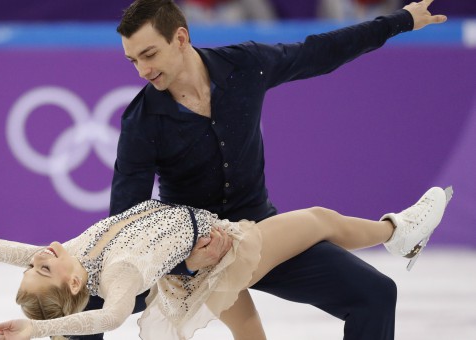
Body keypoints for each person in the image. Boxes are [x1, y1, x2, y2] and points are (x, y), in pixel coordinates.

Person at [98, 0, 448, 339]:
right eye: (133, 61)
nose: (142, 71)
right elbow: (125, 221)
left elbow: (320, 51)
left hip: (263, 232)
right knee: (87, 299)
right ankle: (398, 231)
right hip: (199, 253)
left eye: (149, 55)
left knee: (375, 293)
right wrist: (181, 263)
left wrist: (399, 21)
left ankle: (397, 232)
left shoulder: (244, 66)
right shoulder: (141, 124)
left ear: (180, 38)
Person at [0, 186, 452, 339]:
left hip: (194, 273)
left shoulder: (69, 255)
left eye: (35, 261)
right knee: (318, 218)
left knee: (250, 334)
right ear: (74, 281)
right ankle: (397, 232)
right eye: (44, 266)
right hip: (222, 253)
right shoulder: (118, 274)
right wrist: (37, 333)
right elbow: (111, 317)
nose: (41, 253)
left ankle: (398, 236)